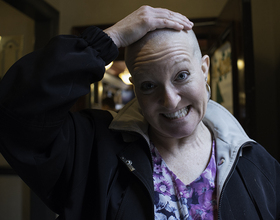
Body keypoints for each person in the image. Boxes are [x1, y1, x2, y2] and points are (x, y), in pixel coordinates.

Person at [0, 5, 279, 220]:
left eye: (182, 75)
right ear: (134, 87)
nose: (170, 101)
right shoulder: (92, 151)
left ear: (204, 69)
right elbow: (15, 112)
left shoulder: (258, 165)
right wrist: (108, 39)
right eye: (148, 85)